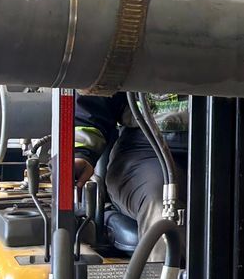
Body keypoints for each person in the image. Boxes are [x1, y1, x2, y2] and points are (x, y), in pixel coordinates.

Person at [72, 93, 187, 228]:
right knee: (163, 209)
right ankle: (165, 247)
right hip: (146, 150)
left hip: (215, 145)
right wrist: (81, 153)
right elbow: (93, 103)